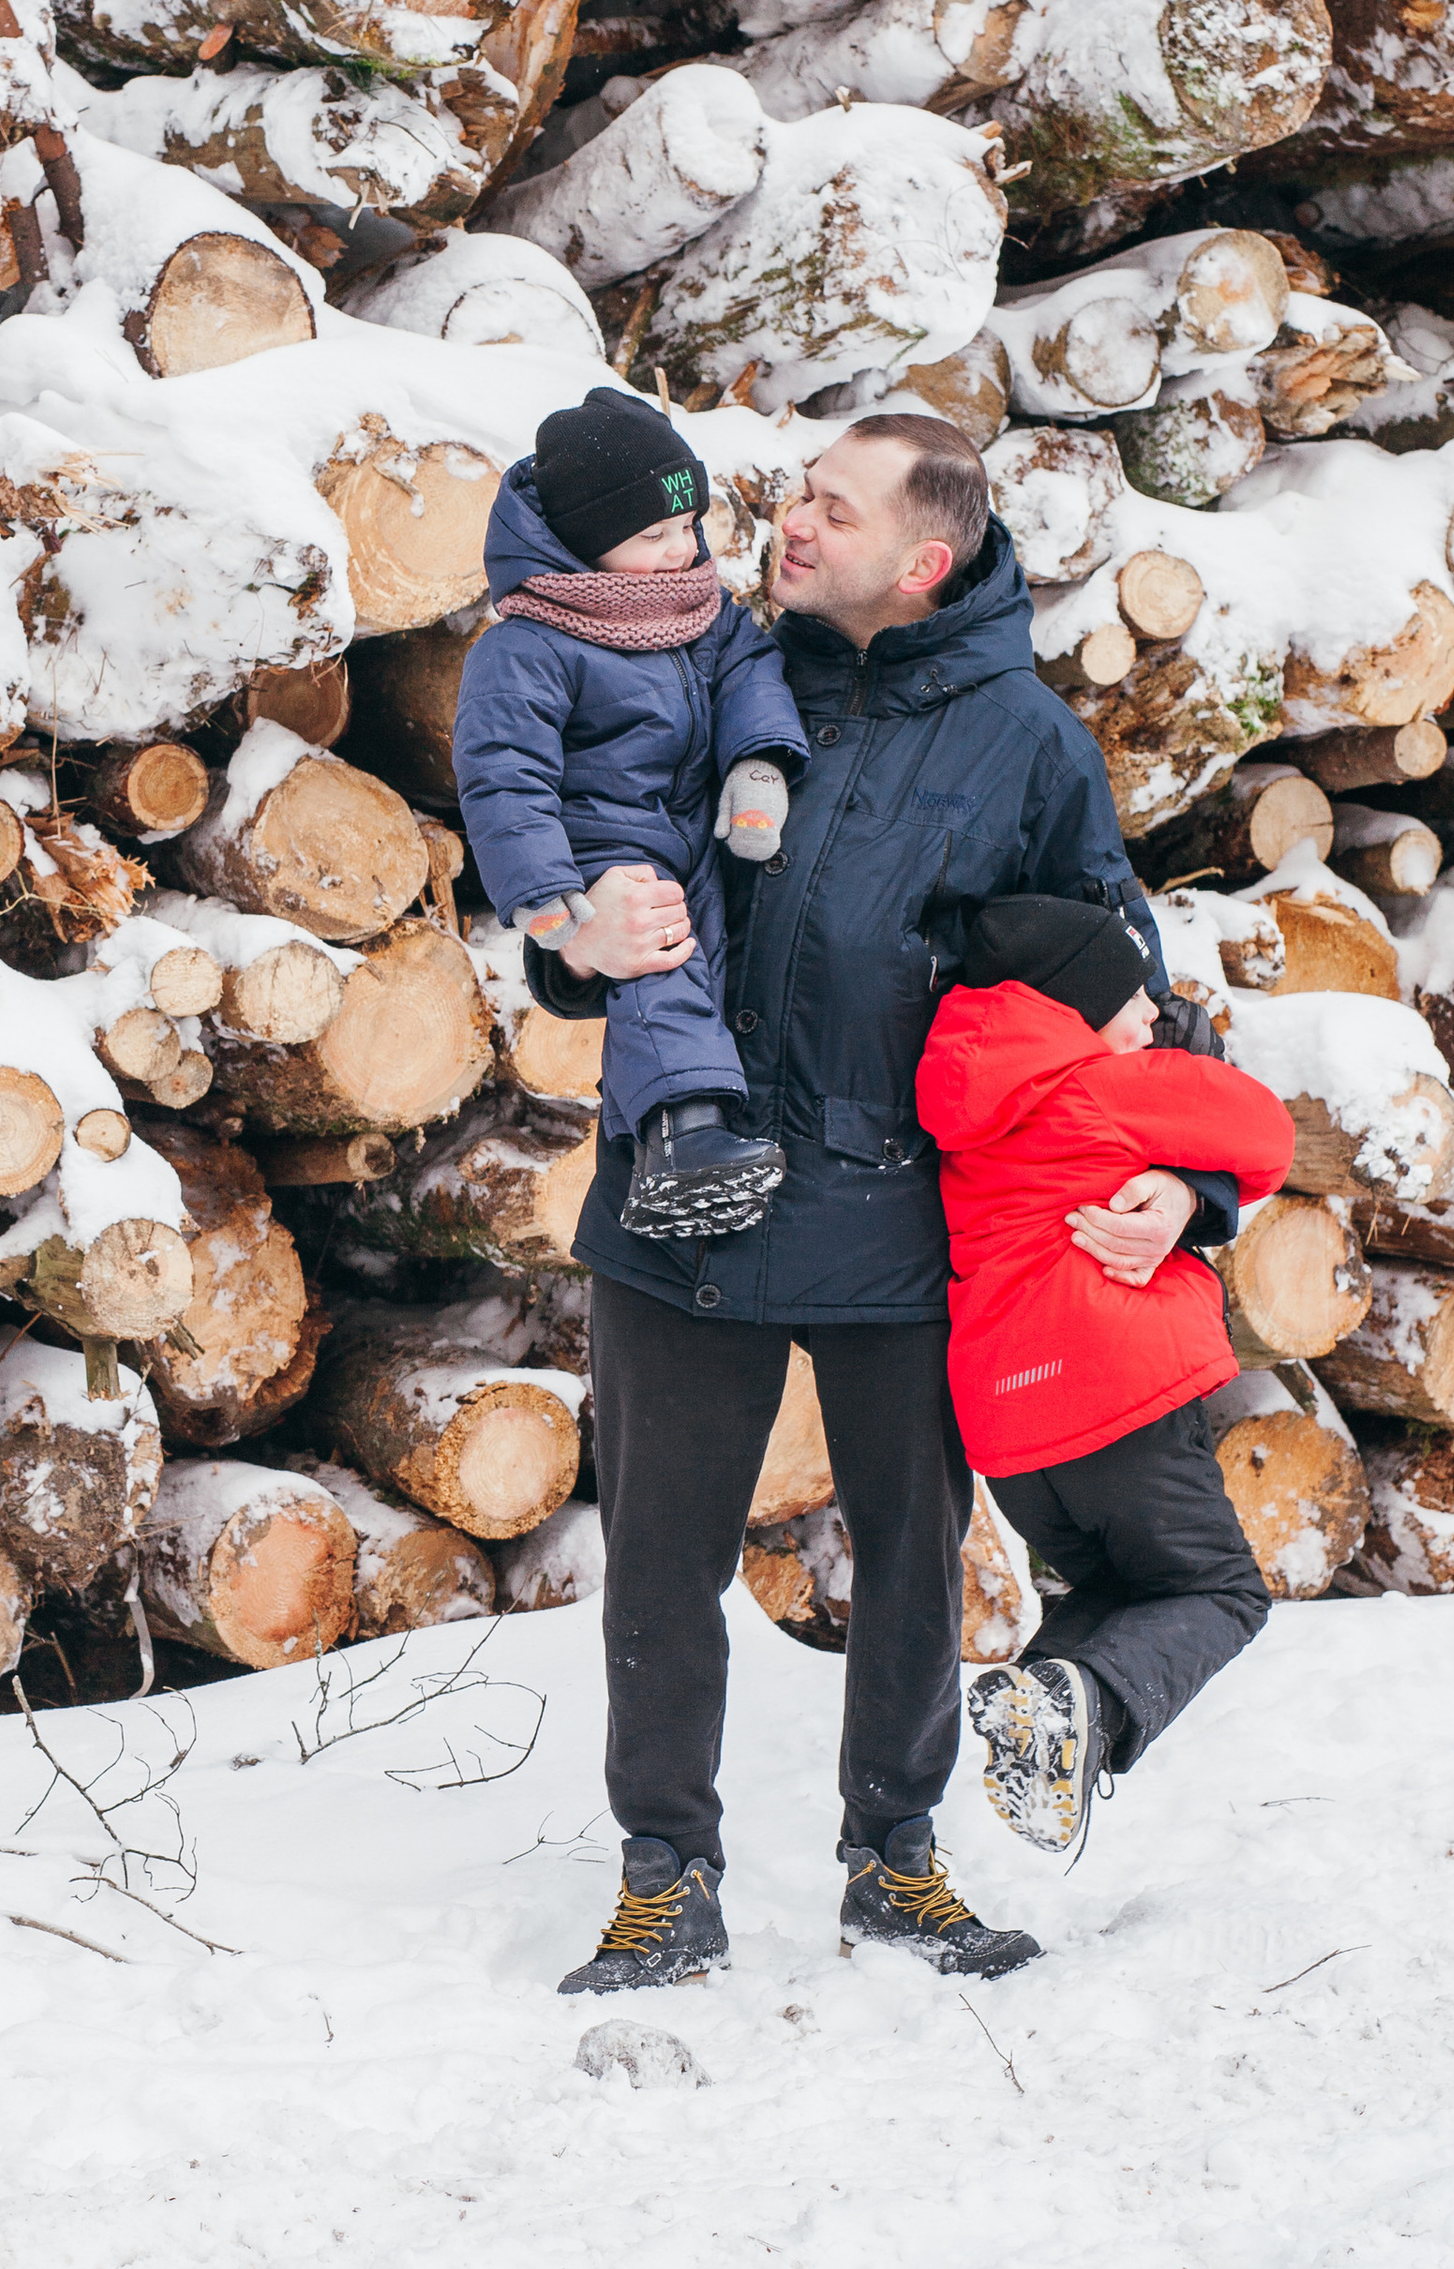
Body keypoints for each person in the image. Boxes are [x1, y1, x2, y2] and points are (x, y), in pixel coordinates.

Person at [534, 409, 1246, 1998]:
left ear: (922, 560)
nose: (789, 521)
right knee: (659, 1565)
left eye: (829, 508)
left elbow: (1135, 999)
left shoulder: (1029, 746)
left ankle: (896, 1861)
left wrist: (1185, 1178)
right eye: (794, 492)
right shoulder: (705, 665)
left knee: (914, 1559)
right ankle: (668, 1872)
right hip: (680, 1195)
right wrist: (569, 935)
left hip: (904, 1222)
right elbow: (577, 862)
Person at [916, 895, 1294, 1853]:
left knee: (1119, 1596)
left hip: (1015, 1439)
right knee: (1219, 1592)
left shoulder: (964, 1111)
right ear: (1074, 1005)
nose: (1148, 1015)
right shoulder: (1105, 1084)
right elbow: (1267, 1136)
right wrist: (1179, 1073)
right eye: (1131, 998)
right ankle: (1071, 1700)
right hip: (1117, 1400)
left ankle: (1040, 1721)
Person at [452, 391, 808, 1239]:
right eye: (652, 536)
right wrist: (544, 897)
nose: (681, 551)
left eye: (689, 527)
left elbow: (750, 672)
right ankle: (682, 1135)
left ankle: (706, 1131)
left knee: (726, 947)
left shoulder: (700, 607)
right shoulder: (529, 645)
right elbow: (503, 776)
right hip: (608, 846)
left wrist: (759, 764)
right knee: (659, 950)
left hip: (696, 822)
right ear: (584, 541)